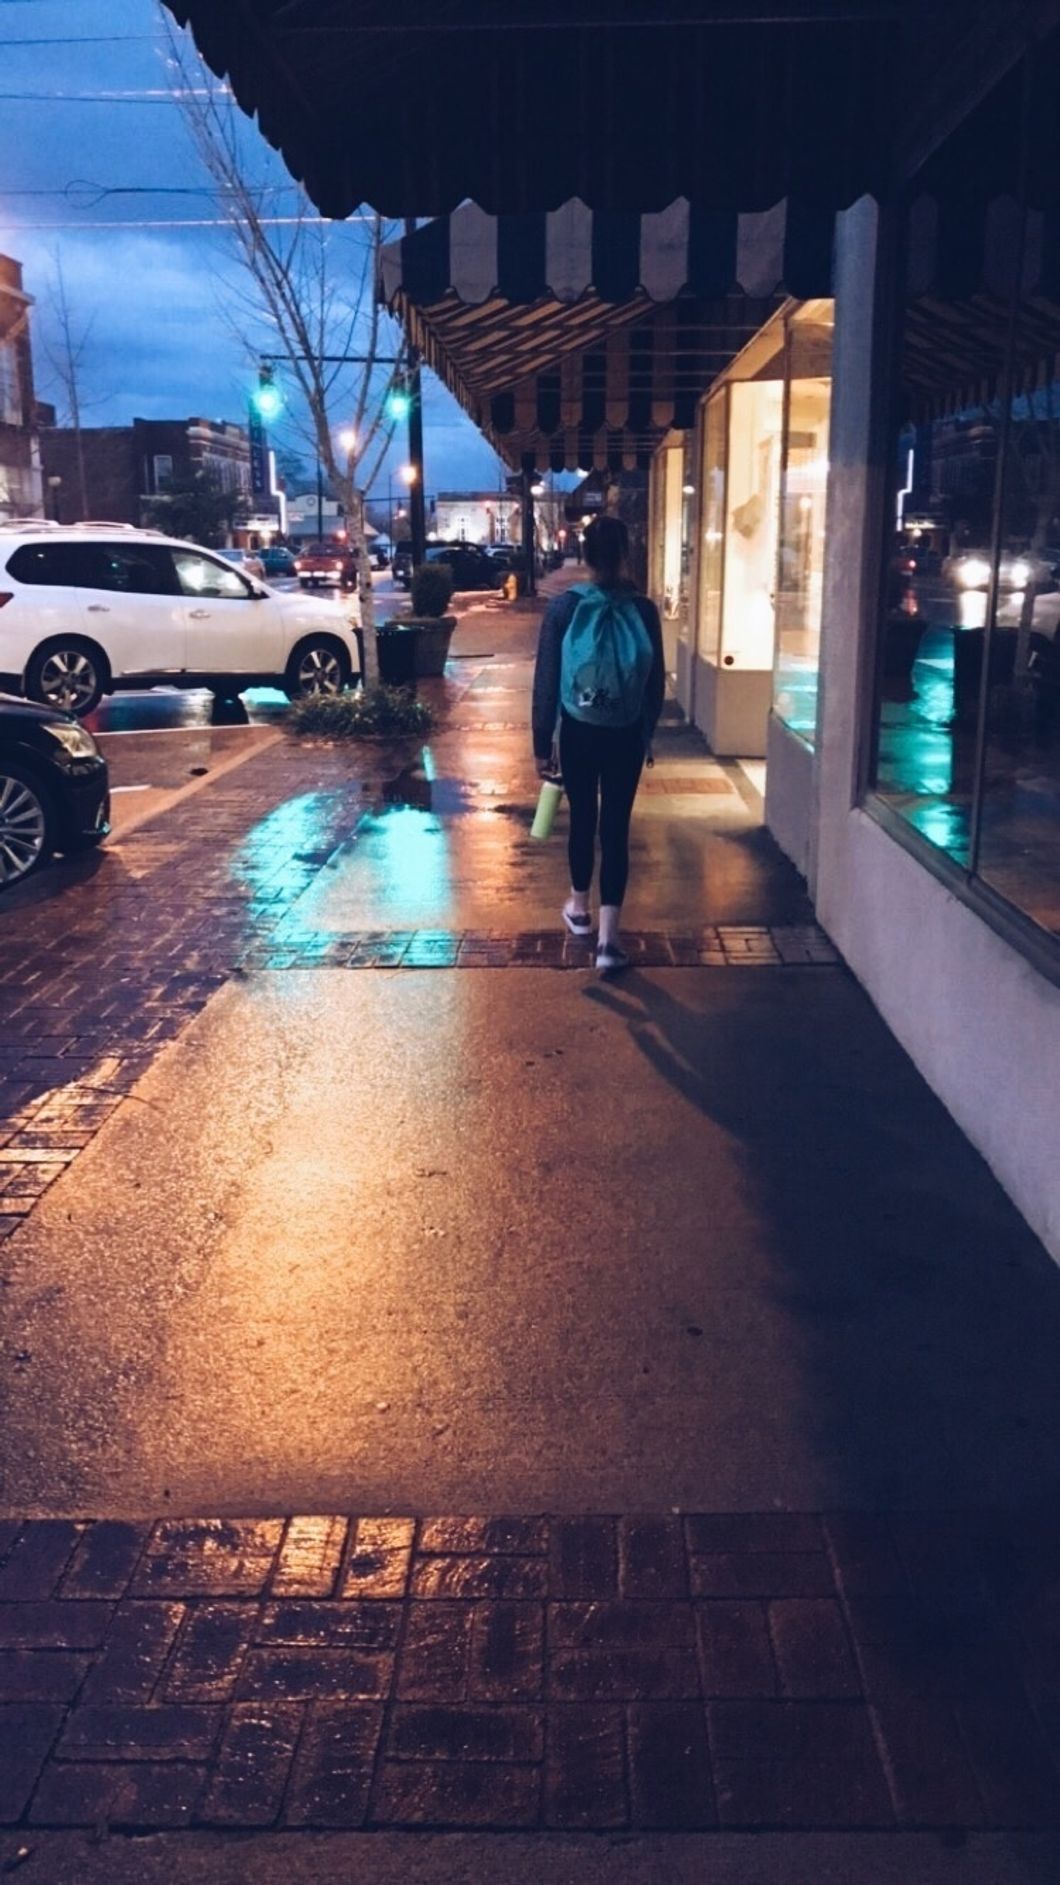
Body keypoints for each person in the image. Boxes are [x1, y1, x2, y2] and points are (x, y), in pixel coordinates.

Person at [531, 514, 665, 972]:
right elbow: (655, 683)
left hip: (578, 730)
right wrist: (645, 731)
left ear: (584, 555)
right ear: (626, 553)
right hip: (625, 733)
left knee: (583, 819)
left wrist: (541, 742)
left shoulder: (564, 608)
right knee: (616, 828)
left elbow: (546, 680)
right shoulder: (643, 610)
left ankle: (578, 909)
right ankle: (609, 943)